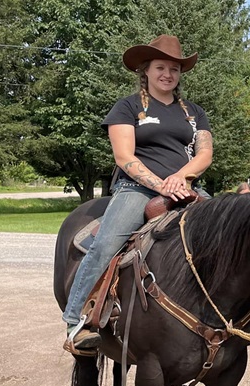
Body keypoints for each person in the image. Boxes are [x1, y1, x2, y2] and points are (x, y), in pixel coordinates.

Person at [63, 35, 213, 350]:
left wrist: (180, 178)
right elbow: (124, 157)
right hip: (137, 189)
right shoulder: (128, 107)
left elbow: (204, 154)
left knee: (228, 234)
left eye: (174, 69)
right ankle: (77, 321)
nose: (168, 74)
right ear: (145, 70)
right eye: (161, 67)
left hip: (187, 187)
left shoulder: (194, 112)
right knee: (106, 244)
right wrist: (162, 185)